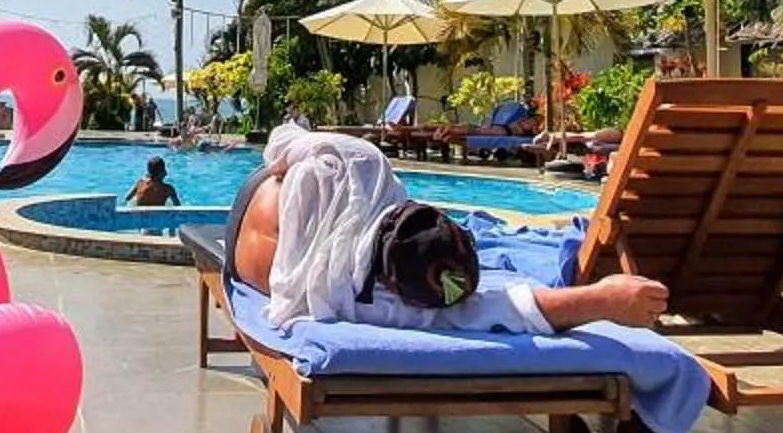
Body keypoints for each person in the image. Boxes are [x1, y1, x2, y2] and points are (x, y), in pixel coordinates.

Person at [227, 123, 667, 333]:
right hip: (245, 256)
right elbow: (501, 308)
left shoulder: (361, 164)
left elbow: (280, 140)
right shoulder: (361, 300)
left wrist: (294, 179)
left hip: (254, 198)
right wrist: (603, 299)